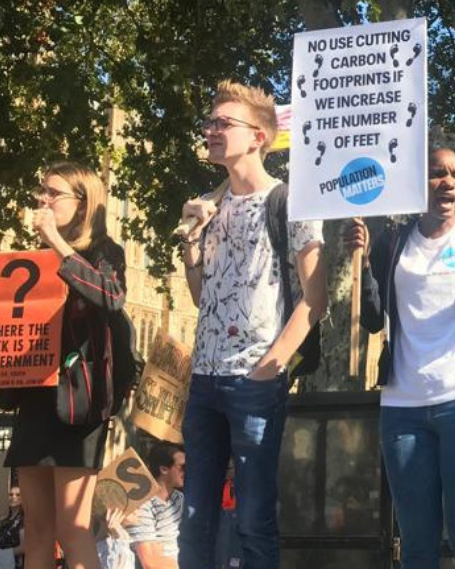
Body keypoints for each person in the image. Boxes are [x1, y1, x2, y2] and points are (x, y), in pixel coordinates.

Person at [345, 130, 455, 569]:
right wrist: (363, 264)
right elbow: (371, 319)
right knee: (416, 544)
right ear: (417, 181)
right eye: (437, 173)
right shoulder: (392, 241)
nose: (448, 182)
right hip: (402, 408)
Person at [176, 81, 326, 569]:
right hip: (205, 379)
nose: (211, 130)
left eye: (224, 123)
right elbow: (205, 300)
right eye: (210, 122)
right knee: (195, 519)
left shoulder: (290, 201)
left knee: (254, 518)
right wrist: (191, 246)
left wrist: (271, 364)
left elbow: (315, 297)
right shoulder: (211, 206)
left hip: (255, 379)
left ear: (259, 137)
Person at [0, 162, 127, 569]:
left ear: (83, 201)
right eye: (41, 191)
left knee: (72, 527)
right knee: (36, 527)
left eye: (53, 193)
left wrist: (57, 243)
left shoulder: (105, 252)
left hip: (77, 402)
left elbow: (110, 296)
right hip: (35, 397)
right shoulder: (31, 257)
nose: (43, 199)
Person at [126, 443, 184, 569]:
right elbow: (150, 561)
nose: (187, 471)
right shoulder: (142, 504)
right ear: (164, 469)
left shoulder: (179, 499)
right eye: (182, 467)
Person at [0, 485, 24, 569]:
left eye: (18, 495)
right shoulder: (5, 519)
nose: (13, 497)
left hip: (14, 563)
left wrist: (2, 554)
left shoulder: (23, 519)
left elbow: (24, 547)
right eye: (10, 494)